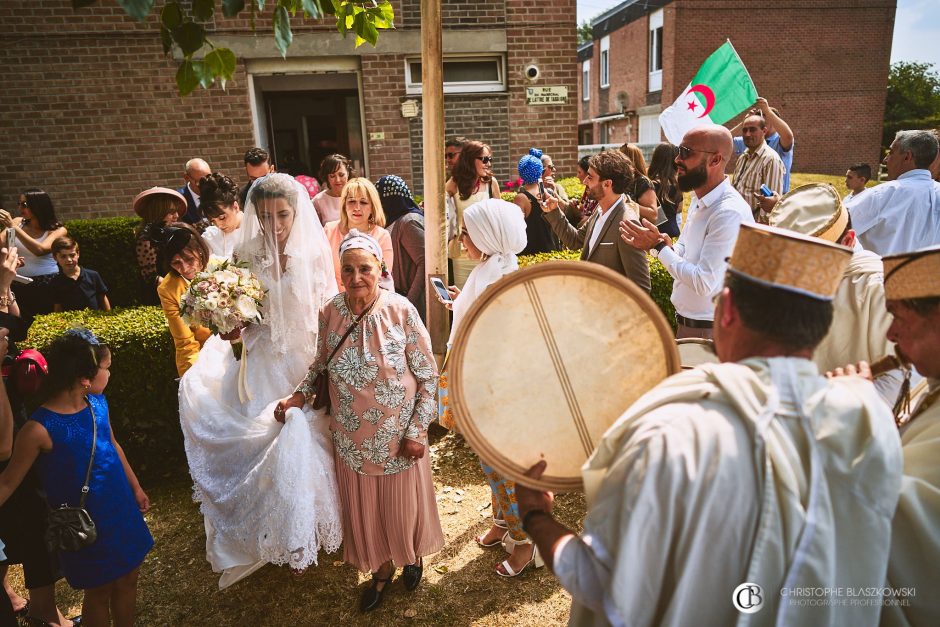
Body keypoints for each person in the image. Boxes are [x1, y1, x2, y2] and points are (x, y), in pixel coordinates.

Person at [517, 223, 902, 627]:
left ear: (728, 308)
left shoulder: (667, 432)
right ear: (821, 325)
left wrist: (536, 516)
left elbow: (601, 583)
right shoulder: (870, 423)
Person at [178, 173, 341, 589]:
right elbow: (241, 311)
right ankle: (275, 530)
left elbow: (327, 310)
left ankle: (306, 527)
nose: (275, 224)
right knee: (265, 440)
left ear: (296, 211)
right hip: (263, 359)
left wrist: (324, 365)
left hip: (305, 357)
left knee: (310, 437)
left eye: (283, 214)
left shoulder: (313, 249)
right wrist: (230, 326)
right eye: (266, 216)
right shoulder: (246, 252)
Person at [279, 230, 443, 613]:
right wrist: (299, 395)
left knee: (401, 508)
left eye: (364, 269)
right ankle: (382, 569)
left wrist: (418, 430)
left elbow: (428, 375)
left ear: (380, 268)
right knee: (368, 512)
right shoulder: (330, 312)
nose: (356, 278)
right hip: (351, 438)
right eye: (348, 270)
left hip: (398, 436)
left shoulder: (401, 310)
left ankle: (412, 556)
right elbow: (320, 363)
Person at [0, 329, 153, 627]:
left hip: (120, 509)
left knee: (129, 578)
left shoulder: (98, 404)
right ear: (85, 378)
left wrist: (135, 487)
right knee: (98, 591)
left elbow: (113, 445)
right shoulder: (38, 429)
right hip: (85, 526)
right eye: (105, 368)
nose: (108, 374)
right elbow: (7, 482)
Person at [437, 199, 536, 577]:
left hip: (499, 391)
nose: (461, 239)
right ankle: (501, 521)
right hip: (481, 381)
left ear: (488, 237)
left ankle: (525, 543)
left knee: (502, 467)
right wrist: (459, 303)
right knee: (488, 461)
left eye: (467, 232)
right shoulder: (487, 270)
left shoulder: (505, 281)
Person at [767, 183, 901, 405]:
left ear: (848, 241)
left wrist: (826, 414)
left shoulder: (880, 288)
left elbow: (897, 380)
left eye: (813, 262)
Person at [0, 245, 76, 627]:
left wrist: (7, 287)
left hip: (11, 404)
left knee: (26, 511)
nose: (6, 253)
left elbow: (15, 325)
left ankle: (36, 604)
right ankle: (42, 610)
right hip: (3, 416)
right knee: (23, 510)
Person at [621, 125, 752, 337]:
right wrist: (663, 244)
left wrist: (658, 246)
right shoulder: (700, 199)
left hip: (712, 332)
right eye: (678, 150)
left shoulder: (728, 212)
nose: (676, 160)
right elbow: (685, 248)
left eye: (686, 152)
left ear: (715, 160)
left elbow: (703, 282)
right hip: (690, 325)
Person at [873, 245, 940, 625]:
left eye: (900, 316)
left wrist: (851, 421)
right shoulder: (929, 385)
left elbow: (891, 523)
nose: (890, 333)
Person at [540, 151, 651, 291]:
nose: (585, 181)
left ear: (607, 184)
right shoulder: (599, 210)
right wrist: (553, 210)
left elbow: (641, 287)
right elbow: (574, 240)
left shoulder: (627, 223)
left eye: (590, 177)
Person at [845, 130, 940, 255]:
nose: (885, 159)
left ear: (907, 157)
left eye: (891, 152)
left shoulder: (885, 193)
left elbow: (835, 227)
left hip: (880, 273)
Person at [151, 223, 212, 378]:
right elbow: (185, 342)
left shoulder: (221, 267)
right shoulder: (168, 289)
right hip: (206, 355)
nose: (184, 268)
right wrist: (194, 377)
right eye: (176, 263)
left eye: (189, 259)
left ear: (199, 251)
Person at [0, 189, 68, 326]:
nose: (20, 208)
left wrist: (13, 227)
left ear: (38, 205)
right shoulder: (18, 222)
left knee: (45, 324)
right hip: (18, 283)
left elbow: (40, 249)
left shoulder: (58, 230)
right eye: (19, 204)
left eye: (24, 204)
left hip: (47, 284)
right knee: (18, 324)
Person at [446, 140, 501, 288]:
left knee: (485, 297)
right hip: (463, 253)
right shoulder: (454, 183)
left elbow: (500, 217)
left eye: (490, 159)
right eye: (484, 159)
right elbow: (442, 213)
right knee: (464, 297)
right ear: (470, 159)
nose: (488, 163)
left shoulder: (491, 183)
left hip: (487, 251)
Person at [324, 178, 394, 292]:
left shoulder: (382, 236)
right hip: (332, 300)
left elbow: (382, 279)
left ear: (372, 207)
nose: (357, 207)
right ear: (344, 205)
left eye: (363, 202)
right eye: (351, 201)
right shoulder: (329, 230)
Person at [377, 175, 425, 321]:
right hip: (398, 298)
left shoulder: (408, 222)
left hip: (410, 303)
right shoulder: (396, 219)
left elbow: (425, 263)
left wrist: (409, 301)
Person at [132, 186, 186, 305]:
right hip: (160, 298)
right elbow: (151, 278)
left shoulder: (172, 232)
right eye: (171, 212)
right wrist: (181, 293)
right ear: (158, 212)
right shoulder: (145, 238)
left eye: (176, 211)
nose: (176, 215)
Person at [732, 111, 786, 222]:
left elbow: (771, 206)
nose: (747, 134)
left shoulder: (771, 159)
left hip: (753, 227)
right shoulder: (743, 157)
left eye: (752, 130)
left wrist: (757, 231)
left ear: (764, 131)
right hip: (735, 222)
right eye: (745, 130)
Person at [733, 98, 795, 192]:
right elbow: (723, 141)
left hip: (776, 198)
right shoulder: (749, 139)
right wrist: (745, 123)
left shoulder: (779, 141)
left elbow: (788, 136)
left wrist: (768, 110)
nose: (761, 118)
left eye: (765, 115)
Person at [513, 152, 558, 256]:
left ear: (521, 173)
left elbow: (515, 229)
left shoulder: (521, 198)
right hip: (551, 250)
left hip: (531, 254)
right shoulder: (549, 193)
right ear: (540, 171)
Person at [50, 235, 111, 312]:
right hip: (70, 322)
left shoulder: (93, 275)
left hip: (94, 320)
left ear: (78, 254)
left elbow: (103, 298)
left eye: (72, 255)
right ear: (55, 257)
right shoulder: (56, 282)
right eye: (63, 256)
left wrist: (108, 316)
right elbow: (58, 307)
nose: (69, 260)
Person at [199, 173, 244, 259]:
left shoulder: (258, 229)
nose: (219, 225)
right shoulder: (210, 237)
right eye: (212, 221)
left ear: (235, 206)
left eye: (222, 217)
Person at [647, 142, 683, 238]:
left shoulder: (649, 184)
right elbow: (679, 209)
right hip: (674, 233)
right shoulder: (677, 184)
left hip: (654, 235)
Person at [617, 144, 660, 223]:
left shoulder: (642, 182)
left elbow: (653, 215)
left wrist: (628, 203)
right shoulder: (621, 181)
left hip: (637, 231)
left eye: (620, 158)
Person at [313, 154, 353, 226]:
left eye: (341, 175)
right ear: (327, 177)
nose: (337, 180)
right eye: (332, 176)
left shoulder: (358, 195)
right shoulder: (318, 201)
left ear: (348, 173)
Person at [177, 158, 211, 225]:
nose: (205, 185)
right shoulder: (178, 200)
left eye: (208, 179)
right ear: (186, 178)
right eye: (200, 182)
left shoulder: (218, 193)